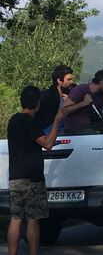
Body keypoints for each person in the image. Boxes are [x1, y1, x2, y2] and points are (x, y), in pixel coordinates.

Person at [7, 86, 66, 255]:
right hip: (32, 178)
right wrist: (56, 121)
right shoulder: (29, 122)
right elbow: (47, 144)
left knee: (16, 218)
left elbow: (29, 141)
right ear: (37, 103)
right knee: (33, 219)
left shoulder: (13, 120)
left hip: (15, 178)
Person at [63, 69, 103, 135]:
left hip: (90, 126)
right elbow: (63, 111)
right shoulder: (80, 90)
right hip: (74, 128)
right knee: (98, 137)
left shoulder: (101, 96)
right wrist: (83, 103)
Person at [34, 65, 75, 135]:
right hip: (48, 133)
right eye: (68, 79)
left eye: (72, 79)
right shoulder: (48, 96)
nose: (71, 82)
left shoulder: (67, 93)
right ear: (59, 80)